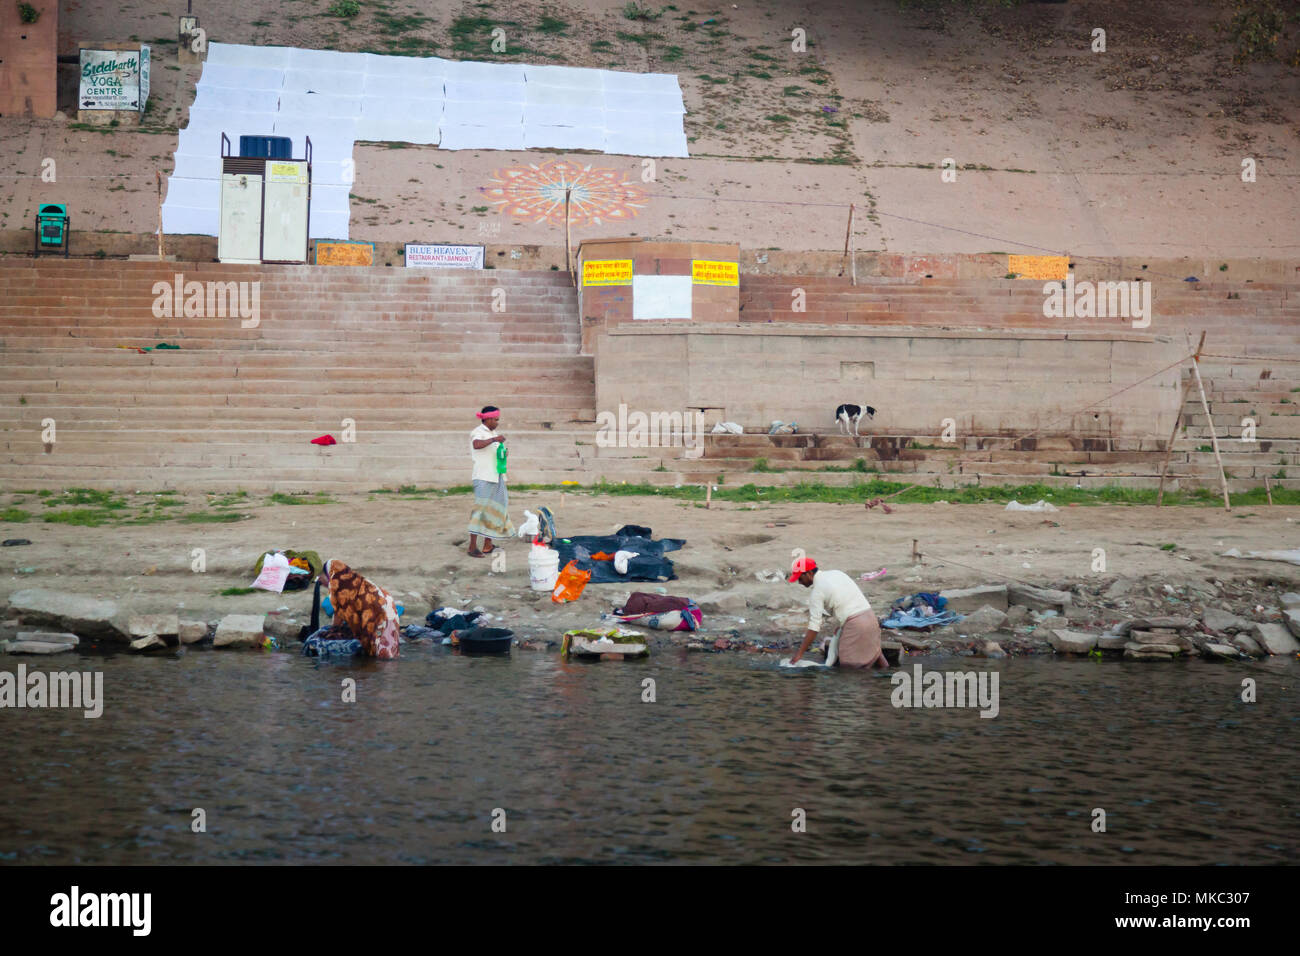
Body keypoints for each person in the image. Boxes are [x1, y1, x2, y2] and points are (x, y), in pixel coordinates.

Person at [788, 556, 889, 669]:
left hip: (856, 625)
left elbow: (814, 627)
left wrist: (799, 654)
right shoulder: (836, 573)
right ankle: (888, 676)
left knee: (848, 671)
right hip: (871, 619)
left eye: (800, 578)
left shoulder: (817, 592)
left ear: (809, 573)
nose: (799, 582)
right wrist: (842, 626)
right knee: (874, 652)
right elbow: (847, 600)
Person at [319, 558, 400, 659]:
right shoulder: (356, 580)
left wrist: (333, 631)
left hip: (378, 615)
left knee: (375, 653)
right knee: (388, 648)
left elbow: (338, 617)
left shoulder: (340, 589)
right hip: (388, 611)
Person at [467, 405, 515, 557]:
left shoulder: (493, 432)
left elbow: (491, 453)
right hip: (483, 477)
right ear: (487, 419)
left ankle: (488, 544)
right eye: (496, 419)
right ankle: (472, 547)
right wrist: (494, 439)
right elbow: (477, 445)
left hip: (496, 476)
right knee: (480, 510)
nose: (497, 422)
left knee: (497, 508)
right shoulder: (478, 432)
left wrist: (503, 453)